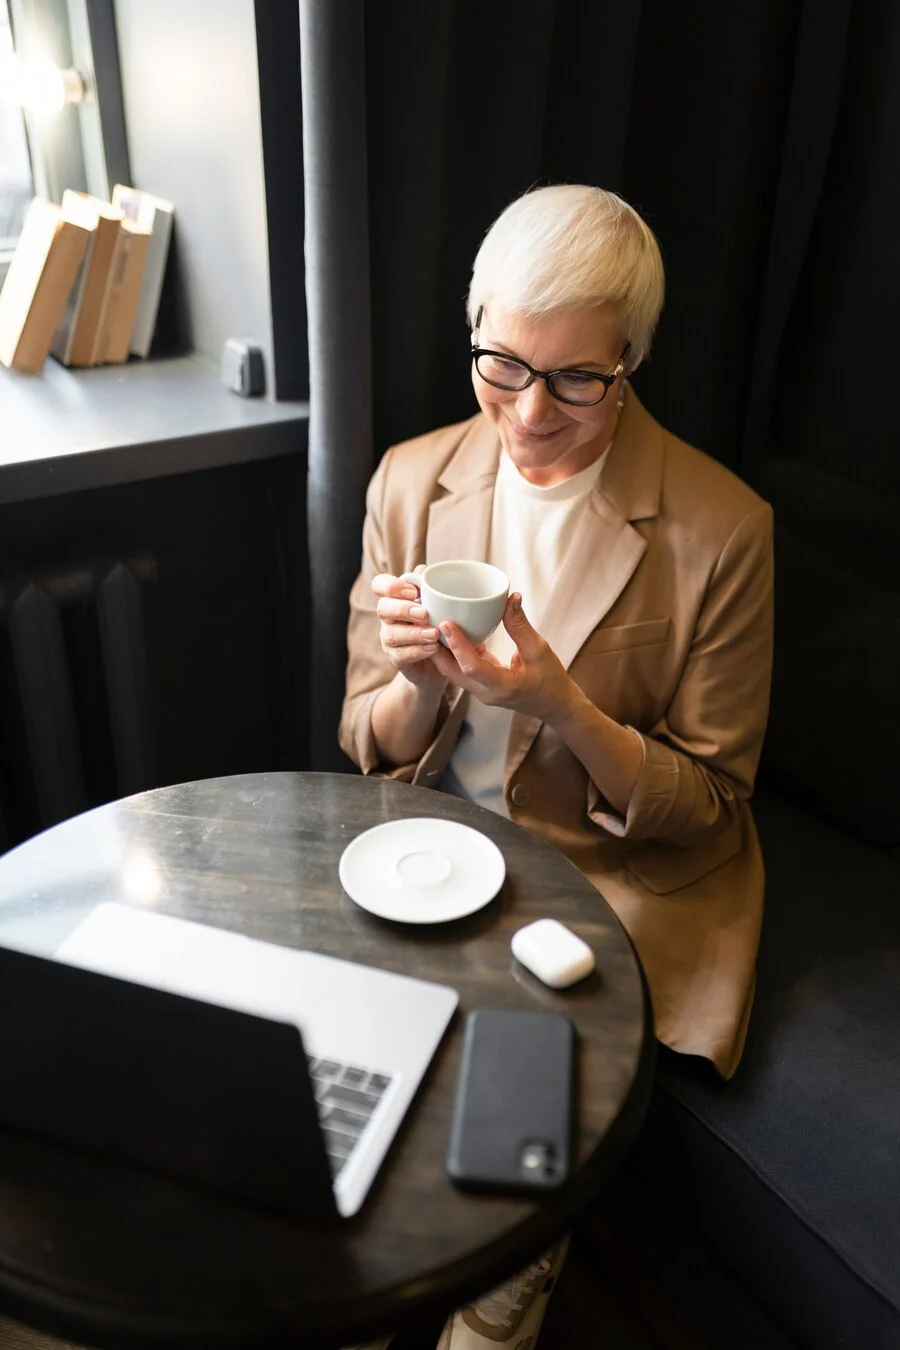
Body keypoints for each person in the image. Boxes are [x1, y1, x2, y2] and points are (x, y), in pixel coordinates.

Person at [340, 184, 773, 1348]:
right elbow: (363, 743)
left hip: (605, 884)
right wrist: (420, 677)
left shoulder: (724, 530)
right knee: (341, 1070)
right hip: (432, 852)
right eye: (502, 365)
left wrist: (563, 706)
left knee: (510, 1114)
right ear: (476, 324)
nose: (529, 414)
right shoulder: (410, 479)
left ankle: (502, 1300)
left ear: (631, 360)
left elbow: (715, 806)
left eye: (578, 378)